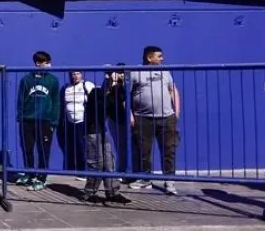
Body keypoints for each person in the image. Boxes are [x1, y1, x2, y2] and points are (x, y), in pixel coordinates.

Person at [129, 46, 180, 195]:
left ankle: (169, 180)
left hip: (166, 118)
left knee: (169, 150)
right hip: (143, 118)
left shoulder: (165, 72)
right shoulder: (136, 72)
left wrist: (176, 112)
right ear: (149, 58)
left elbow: (173, 90)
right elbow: (127, 95)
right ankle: (146, 179)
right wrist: (130, 115)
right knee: (144, 150)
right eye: (159, 56)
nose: (162, 59)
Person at [79, 67, 130, 205]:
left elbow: (116, 114)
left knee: (109, 162)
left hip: (103, 131)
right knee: (96, 163)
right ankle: (89, 193)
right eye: (117, 75)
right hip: (92, 132)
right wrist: (112, 88)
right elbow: (98, 112)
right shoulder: (97, 92)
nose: (119, 77)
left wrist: (118, 90)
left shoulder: (114, 93)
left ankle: (113, 192)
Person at [16, 51, 59, 192]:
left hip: (45, 122)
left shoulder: (53, 80)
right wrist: (20, 118)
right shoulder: (26, 80)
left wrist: (54, 121)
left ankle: (41, 178)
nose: (49, 65)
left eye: (49, 62)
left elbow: (56, 102)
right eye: (46, 62)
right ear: (38, 63)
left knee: (43, 151)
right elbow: (20, 101)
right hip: (27, 121)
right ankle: (29, 174)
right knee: (27, 149)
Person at [62, 71, 95, 178]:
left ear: (82, 75)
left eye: (78, 73)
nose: (75, 76)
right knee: (71, 147)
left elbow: (95, 102)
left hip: (83, 121)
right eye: (73, 74)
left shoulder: (87, 85)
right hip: (69, 122)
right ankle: (72, 171)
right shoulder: (66, 87)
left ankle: (85, 172)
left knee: (83, 147)